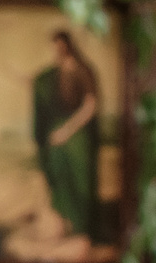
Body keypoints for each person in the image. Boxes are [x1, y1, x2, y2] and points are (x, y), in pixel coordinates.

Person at [33, 31, 101, 246]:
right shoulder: (54, 73)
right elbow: (32, 80)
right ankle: (64, 225)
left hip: (77, 137)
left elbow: (90, 106)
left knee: (78, 181)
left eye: (59, 46)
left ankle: (81, 228)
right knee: (59, 178)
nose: (56, 51)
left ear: (66, 46)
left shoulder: (83, 70)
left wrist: (67, 131)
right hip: (60, 137)